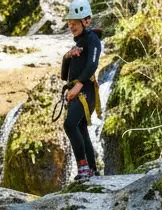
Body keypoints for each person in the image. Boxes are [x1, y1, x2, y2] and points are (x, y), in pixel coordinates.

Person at [60, 0, 102, 182]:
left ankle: (83, 167)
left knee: (70, 124)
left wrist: (77, 86)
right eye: (69, 23)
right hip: (77, 90)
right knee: (80, 127)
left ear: (86, 21)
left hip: (86, 91)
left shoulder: (92, 39)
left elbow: (92, 64)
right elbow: (64, 75)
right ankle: (92, 169)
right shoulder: (77, 45)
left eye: (74, 23)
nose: (71, 26)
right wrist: (67, 56)